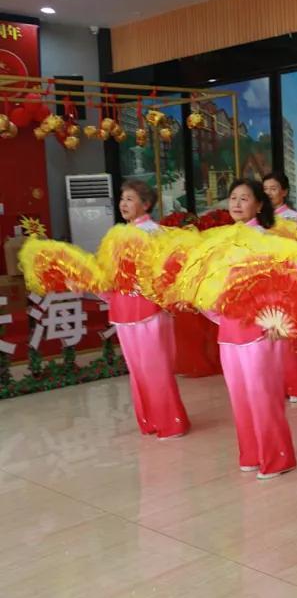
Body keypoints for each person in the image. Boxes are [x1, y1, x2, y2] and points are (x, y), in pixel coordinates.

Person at [212, 179, 297, 480]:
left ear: (259, 205)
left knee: (264, 396)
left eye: (244, 198)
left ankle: (277, 457)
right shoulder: (220, 242)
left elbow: (283, 285)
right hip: (229, 330)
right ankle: (251, 453)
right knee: (239, 397)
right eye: (232, 197)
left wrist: (279, 319)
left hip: (261, 329)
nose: (236, 203)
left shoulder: (269, 242)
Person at [111, 179, 190, 440]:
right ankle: (150, 420)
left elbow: (171, 273)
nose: (124, 203)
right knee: (137, 369)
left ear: (146, 204)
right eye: (123, 198)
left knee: (156, 367)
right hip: (123, 309)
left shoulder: (158, 234)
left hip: (150, 308)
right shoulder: (118, 235)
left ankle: (172, 421)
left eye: (130, 198)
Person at [263, 171, 297, 402]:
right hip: (265, 282)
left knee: (289, 332)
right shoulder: (259, 219)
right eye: (265, 189)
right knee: (268, 333)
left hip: (289, 280)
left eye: (273, 188)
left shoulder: (295, 219)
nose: (269, 193)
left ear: (284, 191)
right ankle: (275, 385)